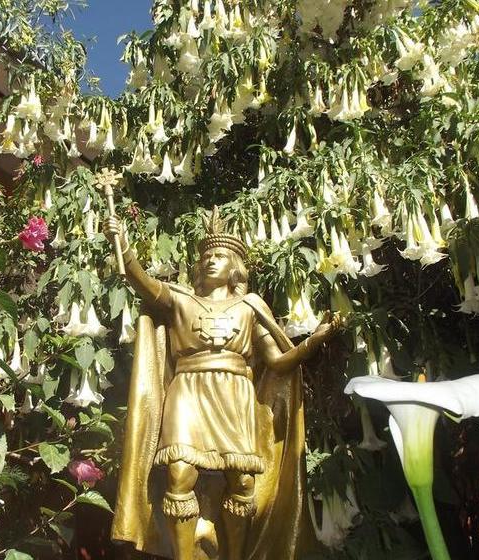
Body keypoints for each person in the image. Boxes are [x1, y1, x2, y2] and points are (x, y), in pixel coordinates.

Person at [107, 208, 341, 560]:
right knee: (179, 474)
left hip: (235, 394)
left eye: (220, 256)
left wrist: (313, 341)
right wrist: (123, 246)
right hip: (188, 389)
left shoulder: (250, 306)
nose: (210, 262)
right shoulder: (181, 300)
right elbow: (145, 283)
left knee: (243, 483)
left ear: (235, 267)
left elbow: (277, 362)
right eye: (206, 257)